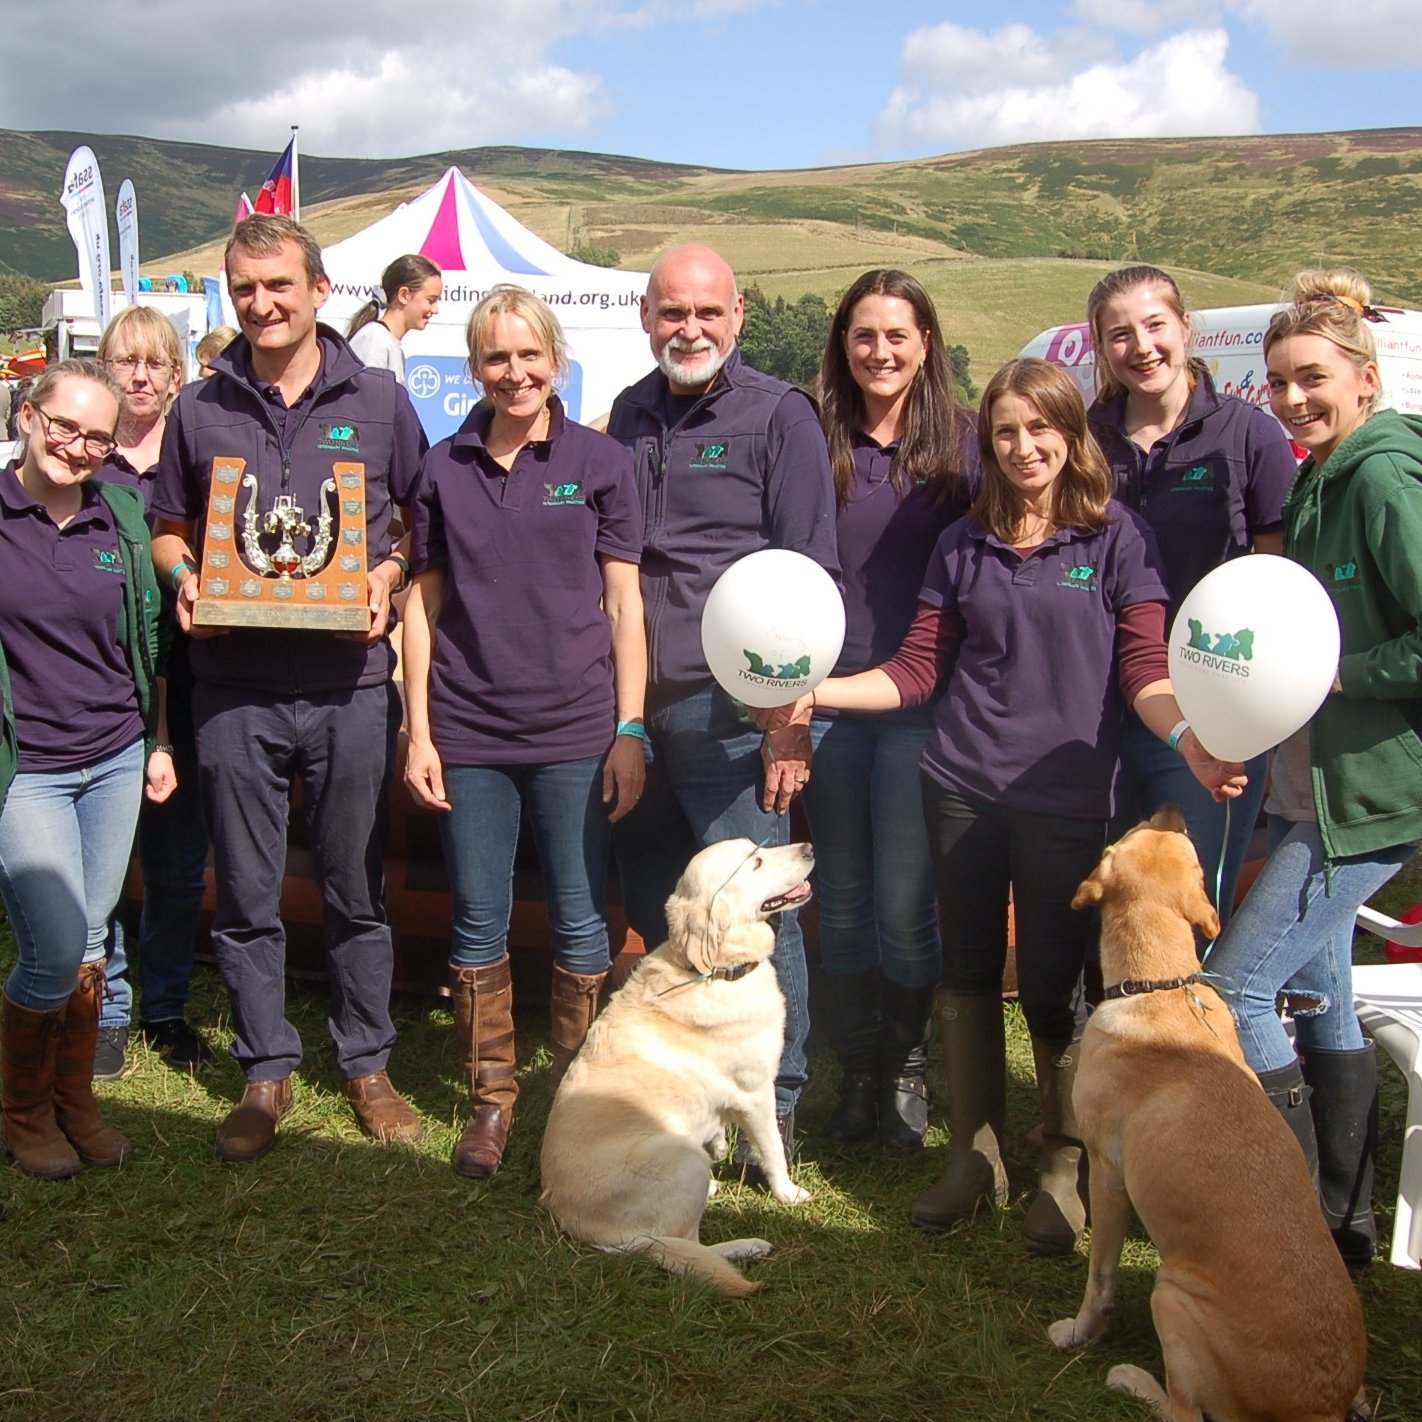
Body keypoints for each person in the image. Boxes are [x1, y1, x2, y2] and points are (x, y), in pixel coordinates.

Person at [768, 358, 1243, 1253]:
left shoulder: (1115, 539)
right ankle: (976, 1154)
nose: (1024, 448)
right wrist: (814, 691)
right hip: (961, 788)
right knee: (968, 973)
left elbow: (1145, 670)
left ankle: (1065, 1166)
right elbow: (916, 671)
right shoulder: (964, 544)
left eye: (1041, 429)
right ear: (987, 443)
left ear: (1071, 436)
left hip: (1069, 799)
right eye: (1006, 432)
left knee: (1057, 991)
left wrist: (1190, 742)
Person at [150, 213, 427, 1162]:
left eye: (278, 287)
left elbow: (417, 531)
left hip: (350, 682)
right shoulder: (199, 406)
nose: (261, 306)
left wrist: (386, 580)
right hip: (233, 685)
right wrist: (185, 575)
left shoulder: (383, 400)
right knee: (249, 893)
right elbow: (166, 525)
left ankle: (366, 1064)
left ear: (316, 289)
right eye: (243, 291)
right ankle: (265, 1069)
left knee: (356, 887)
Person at [402, 285, 646, 1179]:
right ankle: (491, 1105)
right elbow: (420, 608)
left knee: (583, 923)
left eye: (529, 355)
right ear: (474, 367)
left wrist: (630, 727)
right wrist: (418, 732)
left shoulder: (603, 462)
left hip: (579, 730)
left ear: (558, 362)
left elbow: (625, 605)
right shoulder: (441, 468)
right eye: (496, 357)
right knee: (478, 922)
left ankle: (578, 1105)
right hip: (468, 730)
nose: (514, 372)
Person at [1206, 269, 1422, 1269]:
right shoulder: (1317, 476)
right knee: (1321, 992)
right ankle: (1346, 1227)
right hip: (1313, 787)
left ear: (1366, 378)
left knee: (1235, 991)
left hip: (1367, 802)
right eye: (1279, 383)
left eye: (1312, 379)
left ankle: (1283, 1230)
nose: (1293, 399)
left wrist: (1343, 676)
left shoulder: (1380, 475)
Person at [605, 243, 839, 1167]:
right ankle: (693, 1091)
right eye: (671, 312)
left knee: (755, 920)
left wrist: (790, 718)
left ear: (738, 314)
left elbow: (810, 569)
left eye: (706, 312)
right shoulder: (627, 413)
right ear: (646, 317)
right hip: (634, 705)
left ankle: (774, 1103)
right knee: (671, 909)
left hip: (732, 711)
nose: (689, 329)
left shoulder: (781, 415)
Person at [804, 270, 979, 1153]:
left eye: (897, 336)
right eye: (864, 335)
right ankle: (861, 1072)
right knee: (839, 898)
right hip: (824, 701)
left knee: (907, 903)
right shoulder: (812, 436)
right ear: (843, 344)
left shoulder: (967, 448)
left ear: (927, 345)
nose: (880, 352)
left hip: (924, 708)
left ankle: (908, 1067)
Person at [0, 360, 174, 1179]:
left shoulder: (123, 516)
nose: (77, 446)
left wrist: (159, 740)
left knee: (94, 939)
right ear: (29, 416)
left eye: (97, 436)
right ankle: (22, 1110)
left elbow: (152, 649)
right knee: (55, 941)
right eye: (63, 426)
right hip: (25, 768)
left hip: (113, 757)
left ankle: (75, 1102)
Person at [1086, 265, 1298, 925]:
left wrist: (1251, 709)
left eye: (1155, 325)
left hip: (1212, 707)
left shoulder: (1249, 436)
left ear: (1185, 327)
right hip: (1096, 712)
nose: (1141, 346)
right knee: (1109, 902)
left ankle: (1196, 1026)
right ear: (1101, 347)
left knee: (1188, 908)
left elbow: (1279, 579)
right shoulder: (1082, 439)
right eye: (1120, 334)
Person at [92, 305, 212, 1076]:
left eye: (155, 363)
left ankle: (164, 1006)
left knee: (175, 861)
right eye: (125, 362)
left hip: (194, 684)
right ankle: (101, 1004)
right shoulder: (82, 458)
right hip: (97, 688)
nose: (140, 377)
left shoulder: (199, 456)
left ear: (177, 374)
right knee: (98, 865)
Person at [346, 255, 443, 384]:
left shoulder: (389, 345)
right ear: (404, 295)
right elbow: (365, 401)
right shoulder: (375, 339)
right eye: (431, 300)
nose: (436, 310)